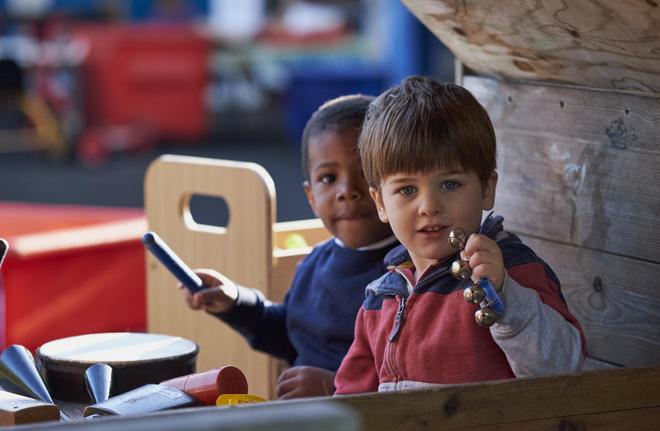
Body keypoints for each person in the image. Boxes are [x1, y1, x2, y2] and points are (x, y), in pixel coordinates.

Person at [334, 77, 585, 394]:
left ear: (487, 189)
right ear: (381, 203)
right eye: (407, 190)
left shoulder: (509, 272)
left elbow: (564, 366)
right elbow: (352, 401)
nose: (429, 206)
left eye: (450, 184)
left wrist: (506, 295)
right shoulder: (382, 295)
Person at [182, 95, 397, 398]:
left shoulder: (408, 274)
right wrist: (235, 302)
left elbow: (407, 377)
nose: (347, 191)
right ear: (311, 198)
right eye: (328, 178)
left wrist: (332, 386)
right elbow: (291, 333)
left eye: (364, 173)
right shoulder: (314, 263)